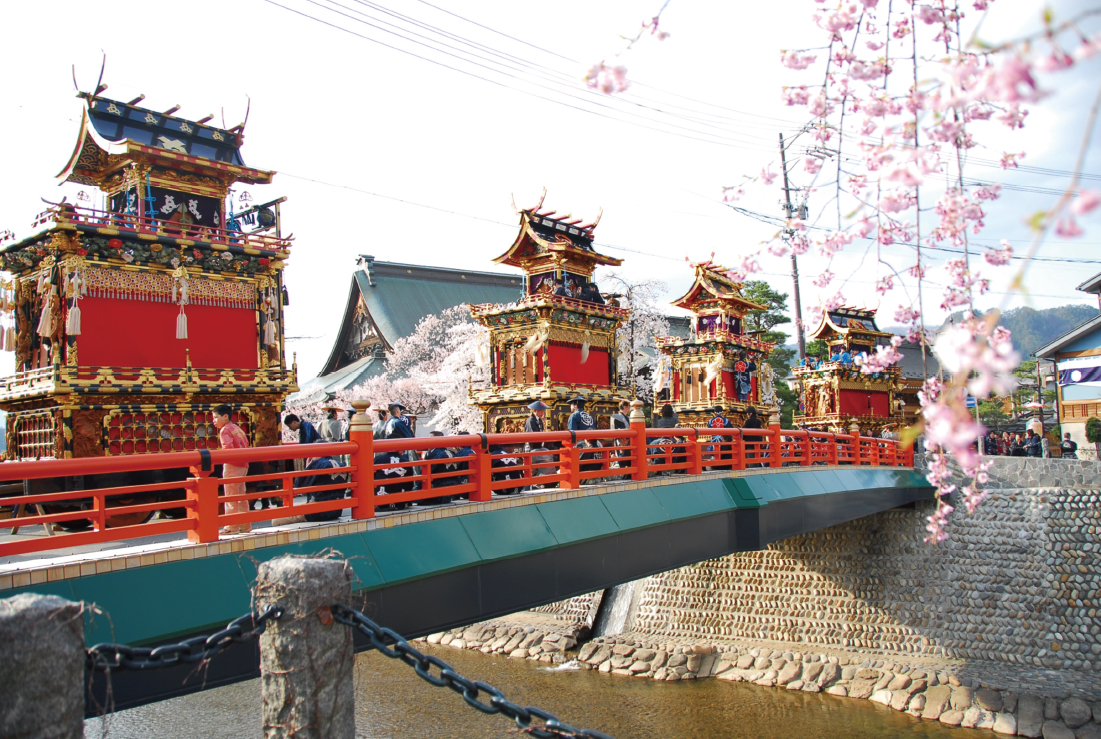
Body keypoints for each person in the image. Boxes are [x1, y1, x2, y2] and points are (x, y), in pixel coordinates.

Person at [272, 456, 350, 525]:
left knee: (276, 520)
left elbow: (299, 487)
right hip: (336, 511)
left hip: (315, 513)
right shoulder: (341, 465)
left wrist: (307, 467)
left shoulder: (317, 464)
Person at [214, 404, 252, 534]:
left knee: (231, 496)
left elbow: (227, 448)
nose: (214, 421)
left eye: (215, 417)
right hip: (243, 465)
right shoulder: (237, 428)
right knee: (241, 496)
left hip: (232, 465)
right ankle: (245, 526)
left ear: (225, 416)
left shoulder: (225, 430)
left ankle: (232, 527)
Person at [567, 396, 603, 475]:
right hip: (594, 444)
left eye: (571, 405)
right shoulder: (589, 416)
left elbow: (572, 434)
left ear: (575, 405)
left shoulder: (573, 416)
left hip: (581, 445)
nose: (570, 407)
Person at [423, 430, 456, 504]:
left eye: (430, 439)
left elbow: (426, 473)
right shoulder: (451, 453)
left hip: (437, 492)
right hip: (452, 492)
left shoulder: (433, 454)